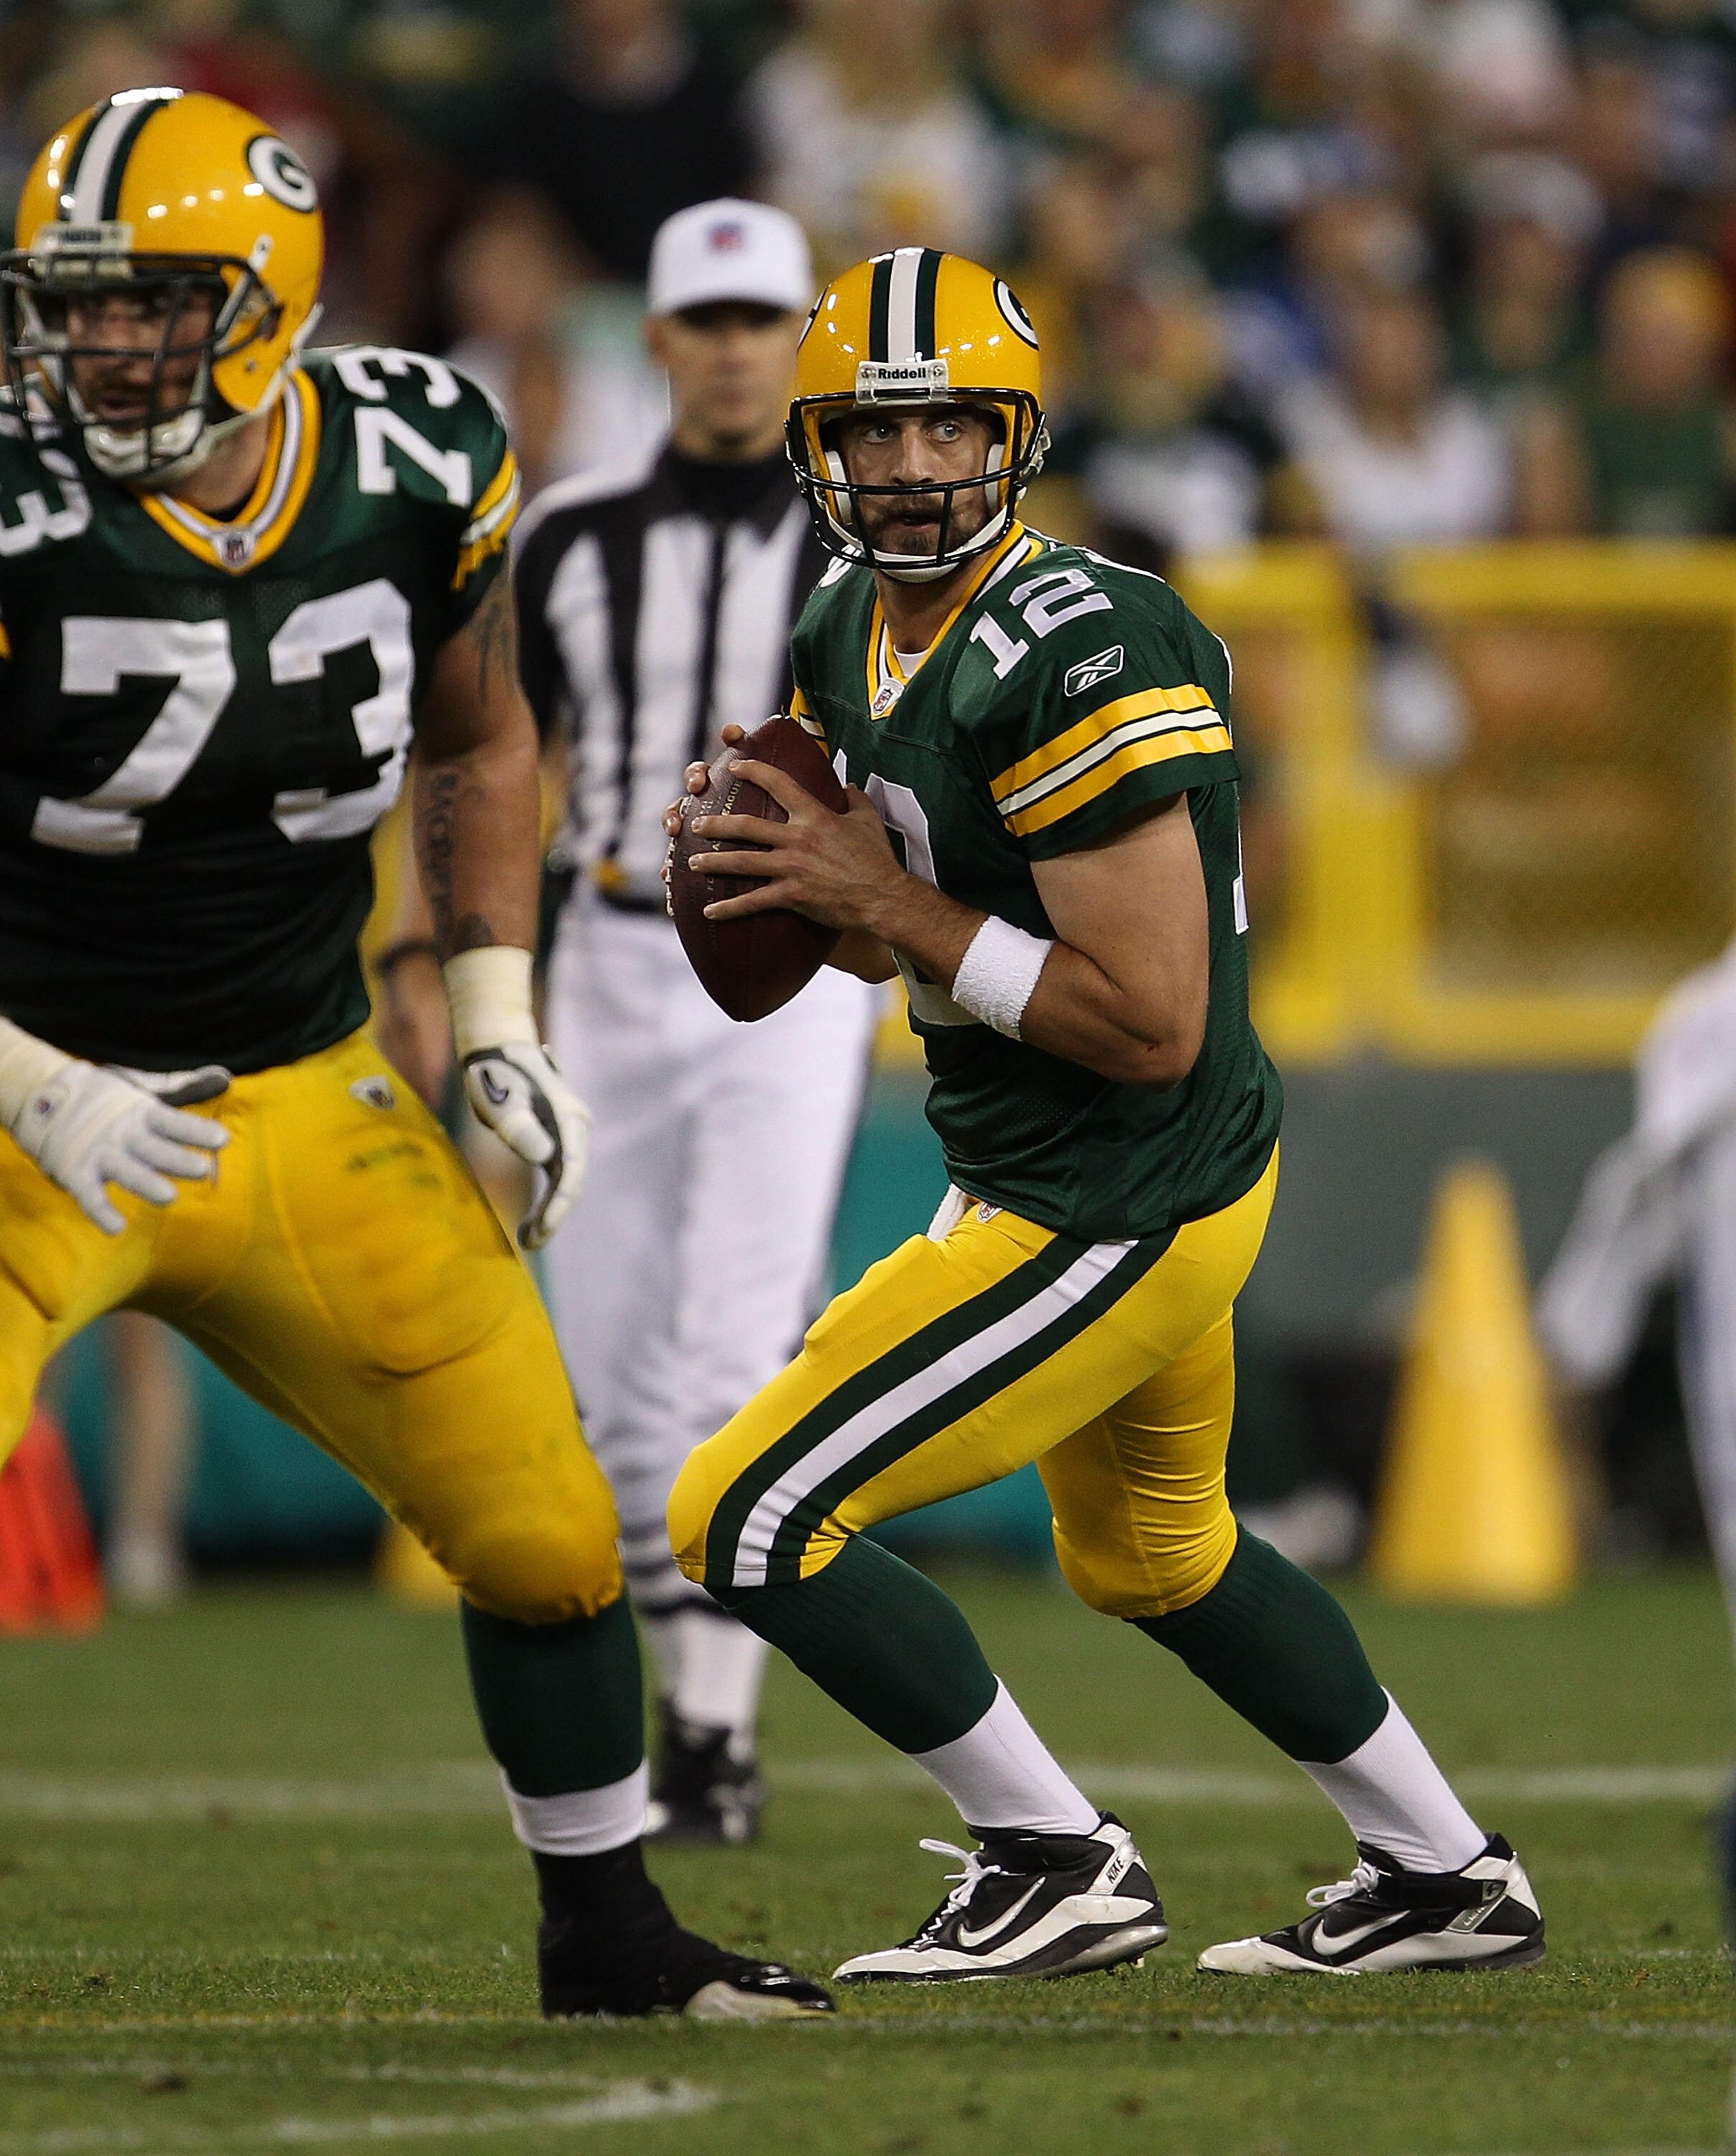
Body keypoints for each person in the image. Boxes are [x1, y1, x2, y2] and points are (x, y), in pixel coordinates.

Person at [0, 85, 828, 2023]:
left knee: (548, 1534)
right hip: (27, 1097)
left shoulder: (414, 454)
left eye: (146, 305)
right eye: (71, 304)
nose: (99, 346)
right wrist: (32, 1082)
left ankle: (608, 1938)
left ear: (268, 306)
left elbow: (479, 737)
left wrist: (496, 1012)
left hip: (302, 1093)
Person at [665, 247, 1545, 1981]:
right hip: (1059, 1162)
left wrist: (876, 898)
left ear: (1017, 433)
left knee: (744, 1512)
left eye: (948, 427)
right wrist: (792, 888)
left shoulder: (1084, 642)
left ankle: (1050, 1855)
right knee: (1155, 1554)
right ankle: (1444, 1875)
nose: (910, 467)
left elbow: (1144, 1023)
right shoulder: (843, 626)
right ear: (818, 446)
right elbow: (907, 935)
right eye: (873, 431)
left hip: (1112, 1190)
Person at [518, 200, 877, 1841]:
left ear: (796, 342)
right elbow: (494, 763)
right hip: (602, 953)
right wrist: (462, 968)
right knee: (607, 1380)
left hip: (787, 962)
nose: (734, 352)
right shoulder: (567, 538)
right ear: (658, 338)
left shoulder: (866, 548)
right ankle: (688, 1706)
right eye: (708, 323)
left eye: (759, 323)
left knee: (734, 1346)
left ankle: (717, 1735)